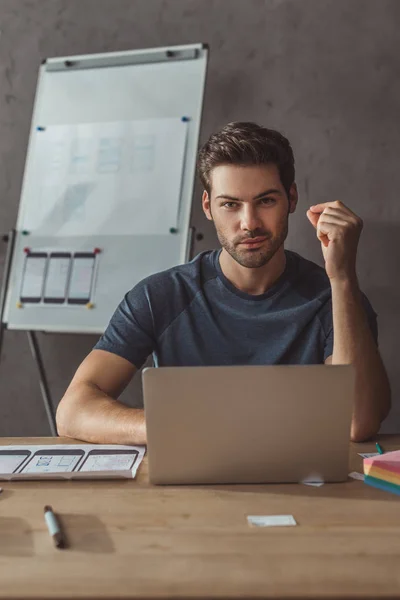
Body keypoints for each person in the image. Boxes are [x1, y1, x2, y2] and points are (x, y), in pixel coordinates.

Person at [56, 122, 391, 445]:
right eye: (230, 204)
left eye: (266, 201)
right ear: (208, 206)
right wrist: (171, 426)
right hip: (189, 490)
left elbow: (356, 422)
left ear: (291, 199)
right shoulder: (160, 296)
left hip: (304, 491)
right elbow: (73, 411)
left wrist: (342, 277)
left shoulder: (336, 298)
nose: (249, 223)